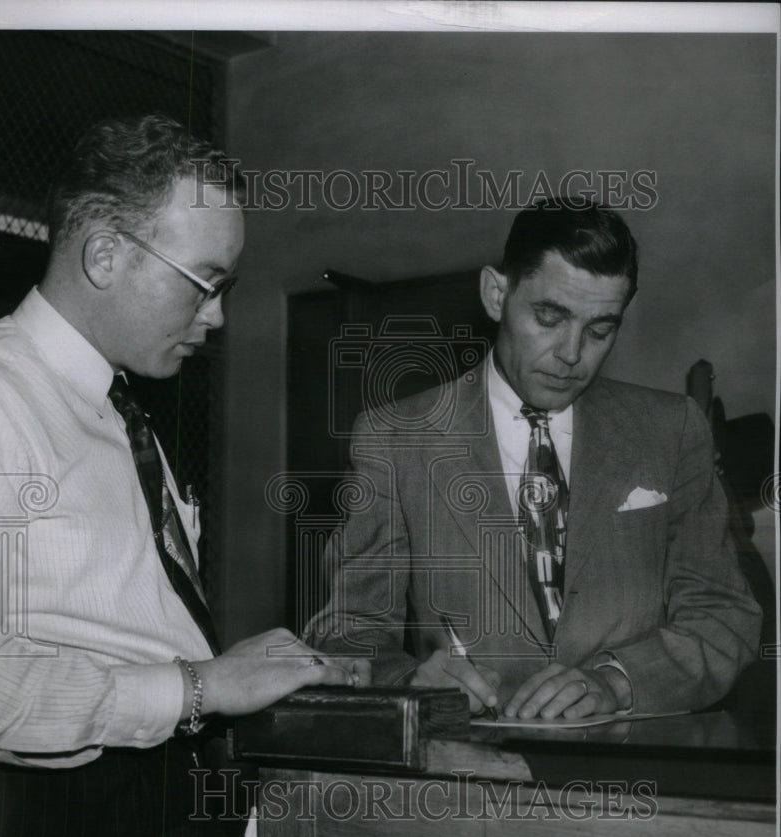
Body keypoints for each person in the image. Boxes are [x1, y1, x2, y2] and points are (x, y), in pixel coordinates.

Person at [0, 114, 369, 837]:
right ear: (105, 255)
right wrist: (204, 685)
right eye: (204, 283)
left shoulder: (122, 410)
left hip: (143, 820)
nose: (217, 316)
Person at [306, 200, 760, 721]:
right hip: (469, 779)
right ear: (496, 294)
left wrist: (617, 683)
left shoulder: (671, 429)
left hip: (637, 776)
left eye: (600, 330)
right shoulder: (395, 438)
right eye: (550, 317)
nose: (571, 353)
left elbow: (724, 615)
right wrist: (410, 680)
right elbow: (347, 632)